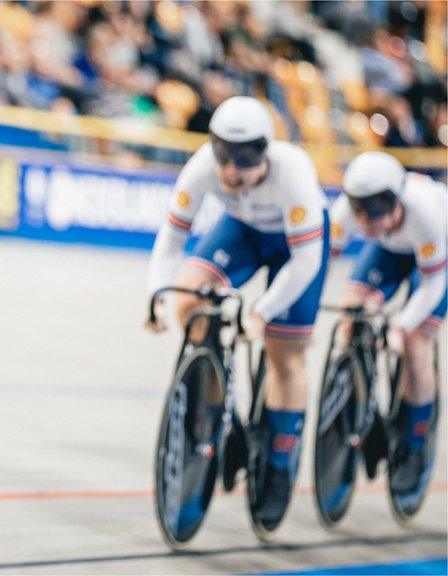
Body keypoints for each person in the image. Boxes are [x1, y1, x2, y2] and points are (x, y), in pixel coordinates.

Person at [144, 96, 329, 531]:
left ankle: (280, 462)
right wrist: (156, 297)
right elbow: (171, 241)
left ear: (265, 153)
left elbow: (306, 262)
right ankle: (209, 407)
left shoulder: (294, 173)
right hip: (243, 232)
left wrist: (262, 312)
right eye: (224, 157)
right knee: (188, 299)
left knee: (285, 353)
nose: (231, 171)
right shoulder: (201, 168)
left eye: (244, 161)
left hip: (294, 249)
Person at [329, 151, 446, 495]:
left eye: (377, 211)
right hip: (392, 249)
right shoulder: (347, 213)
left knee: (415, 343)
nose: (366, 222)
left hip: (438, 256)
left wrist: (400, 326)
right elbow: (319, 260)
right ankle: (358, 406)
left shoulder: (425, 212)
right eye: (360, 211)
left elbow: (432, 285)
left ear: (396, 200)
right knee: (352, 313)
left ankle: (414, 444)